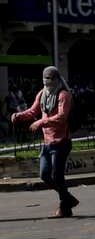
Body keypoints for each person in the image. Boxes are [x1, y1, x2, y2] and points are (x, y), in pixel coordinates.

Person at [11, 66, 78, 217]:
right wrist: (18, 116)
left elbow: (61, 117)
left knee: (57, 176)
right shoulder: (42, 94)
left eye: (50, 78)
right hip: (47, 143)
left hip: (62, 142)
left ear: (56, 78)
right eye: (44, 78)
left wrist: (41, 122)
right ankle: (68, 199)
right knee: (44, 175)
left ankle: (64, 207)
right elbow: (33, 111)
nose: (47, 81)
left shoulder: (64, 95)